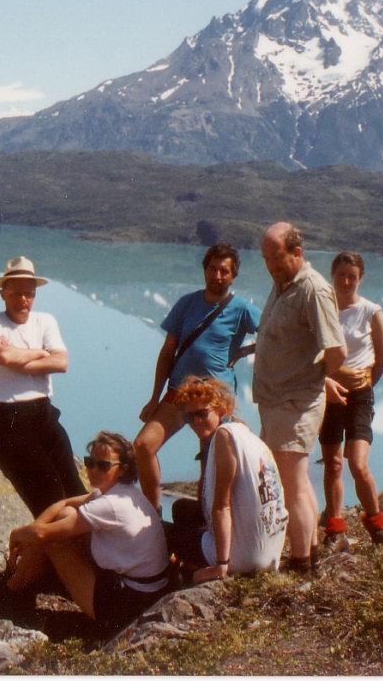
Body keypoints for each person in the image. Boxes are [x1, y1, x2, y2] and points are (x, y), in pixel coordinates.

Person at [0, 431, 171, 631]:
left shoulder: (111, 504)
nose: (93, 470)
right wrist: (34, 529)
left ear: (123, 469)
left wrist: (17, 534)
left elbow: (43, 535)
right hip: (144, 592)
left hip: (126, 609)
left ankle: (7, 594)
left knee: (53, 542)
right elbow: (65, 503)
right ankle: (22, 582)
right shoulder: (122, 492)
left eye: (103, 465)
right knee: (66, 515)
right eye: (90, 462)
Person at [134, 243, 260, 508]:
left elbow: (273, 334)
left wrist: (245, 350)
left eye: (224, 271)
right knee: (144, 445)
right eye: (212, 269)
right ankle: (152, 515)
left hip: (215, 399)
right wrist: (154, 398)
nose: (217, 276)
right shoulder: (186, 304)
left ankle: (208, 526)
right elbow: (168, 351)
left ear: (233, 276)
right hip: (180, 392)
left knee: (211, 463)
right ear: (205, 270)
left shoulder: (241, 308)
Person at [254, 222, 346, 574]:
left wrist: (312, 381)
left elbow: (336, 351)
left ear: (297, 252)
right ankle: (309, 551)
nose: (271, 265)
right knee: (297, 480)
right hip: (277, 400)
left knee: (289, 485)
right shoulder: (283, 285)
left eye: (277, 258)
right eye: (266, 259)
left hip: (294, 402)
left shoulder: (313, 289)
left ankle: (301, 564)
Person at [0, 256, 85, 515]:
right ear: (3, 294)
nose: (23, 300)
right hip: (10, 420)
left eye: (29, 294)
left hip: (44, 414)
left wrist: (18, 357)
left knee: (77, 491)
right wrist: (40, 353)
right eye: (16, 293)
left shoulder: (45, 320)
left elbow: (61, 363)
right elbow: (2, 358)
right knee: (50, 499)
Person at [165, 377, 287, 580]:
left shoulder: (224, 437)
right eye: (189, 418)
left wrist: (221, 565)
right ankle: (192, 567)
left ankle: (183, 577)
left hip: (246, 557)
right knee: (181, 509)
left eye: (202, 414)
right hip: (269, 550)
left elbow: (222, 507)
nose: (196, 422)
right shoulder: (241, 430)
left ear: (221, 409)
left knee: (161, 533)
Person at [320, 251, 383, 550]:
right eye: (341, 275)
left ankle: (377, 526)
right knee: (333, 464)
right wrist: (327, 384)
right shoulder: (323, 308)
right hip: (328, 394)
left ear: (360, 278)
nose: (346, 281)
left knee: (357, 464)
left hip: (359, 395)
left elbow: (382, 359)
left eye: (352, 276)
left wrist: (364, 388)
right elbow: (311, 356)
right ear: (333, 275)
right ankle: (335, 530)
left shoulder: (371, 311)